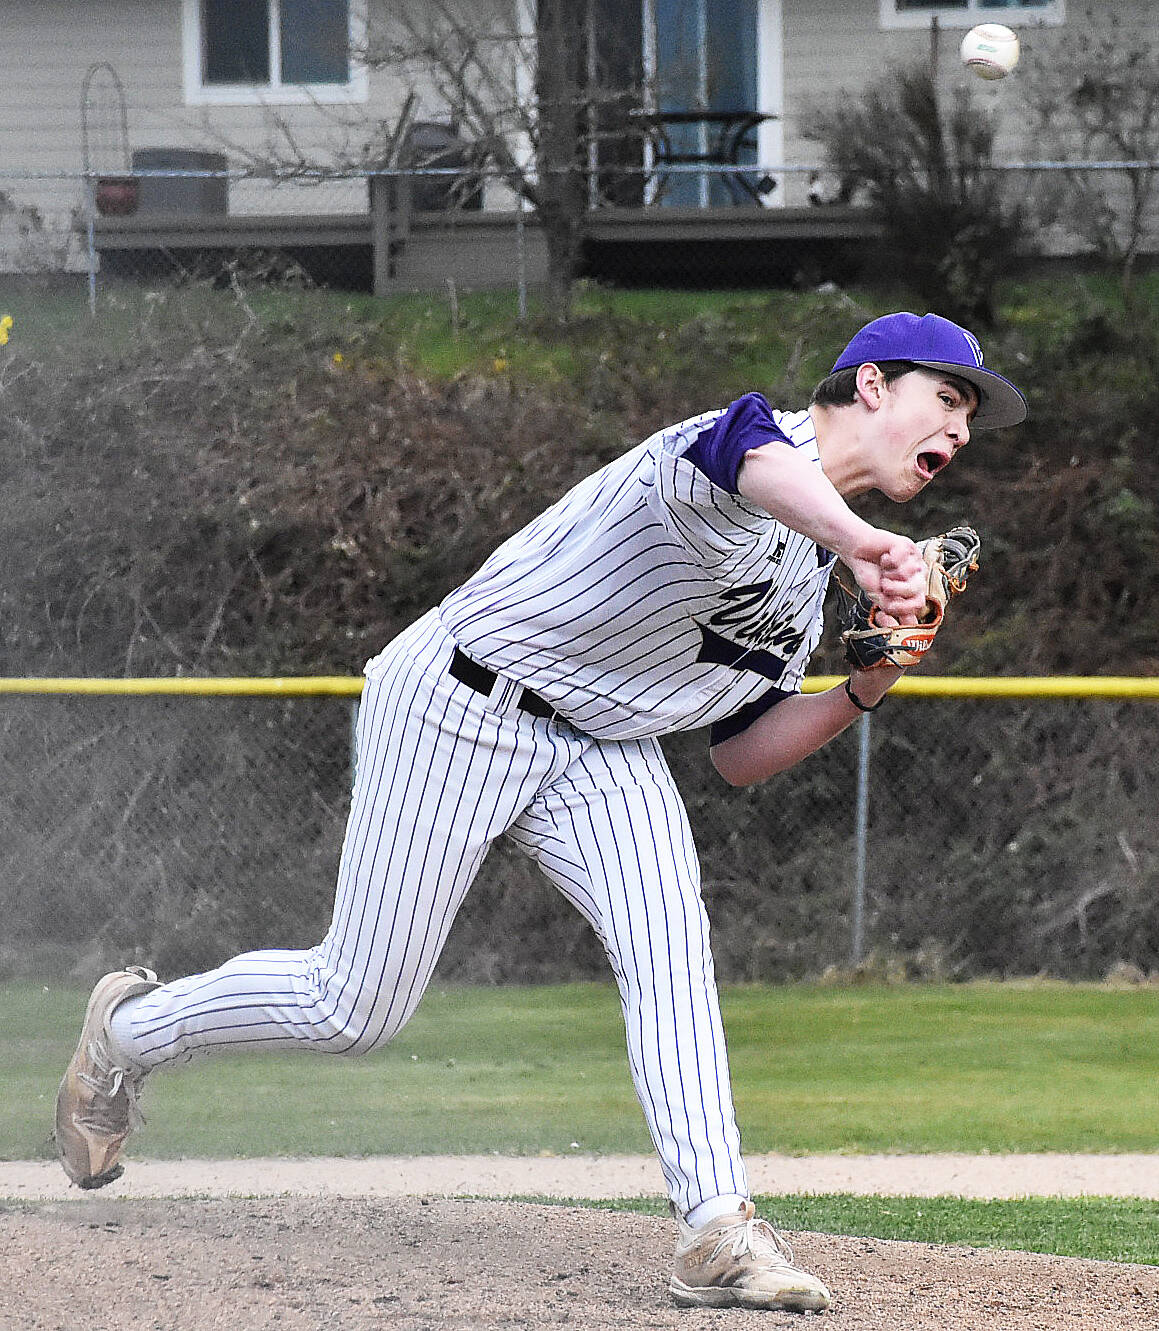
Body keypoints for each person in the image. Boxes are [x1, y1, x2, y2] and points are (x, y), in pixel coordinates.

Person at [56, 311, 1026, 1313]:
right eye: (947, 397)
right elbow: (752, 462)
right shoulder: (741, 440)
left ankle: (715, 1228)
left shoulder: (803, 593)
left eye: (968, 419)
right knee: (354, 1006)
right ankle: (129, 1032)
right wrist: (866, 542)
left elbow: (740, 753)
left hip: (602, 746)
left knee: (669, 947)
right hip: (461, 698)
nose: (957, 431)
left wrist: (866, 685)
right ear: (869, 385)